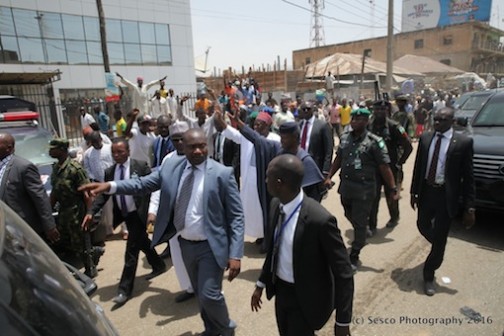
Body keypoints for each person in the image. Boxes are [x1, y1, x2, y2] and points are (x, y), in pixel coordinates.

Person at [79, 129, 244, 336]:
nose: (200, 150)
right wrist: (109, 186)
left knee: (210, 294)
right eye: (193, 147)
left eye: (203, 145)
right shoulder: (172, 167)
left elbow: (237, 216)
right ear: (182, 147)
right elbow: (141, 183)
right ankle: (211, 329)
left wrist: (236, 254)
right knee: (200, 294)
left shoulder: (222, 173)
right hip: (186, 244)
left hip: (211, 246)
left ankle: (227, 328)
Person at [251, 154, 354, 336]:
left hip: (307, 299)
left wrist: (343, 321)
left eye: (268, 177)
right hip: (282, 293)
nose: (265, 180)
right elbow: (275, 250)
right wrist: (260, 284)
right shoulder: (276, 205)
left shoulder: (320, 220)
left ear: (279, 183)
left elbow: (344, 273)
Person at [82, 138, 166, 307]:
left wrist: (152, 212)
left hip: (139, 215)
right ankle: (158, 264)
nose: (117, 155)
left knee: (131, 252)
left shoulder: (140, 166)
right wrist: (91, 212)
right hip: (125, 215)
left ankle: (124, 290)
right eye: (114, 152)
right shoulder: (110, 172)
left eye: (120, 151)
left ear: (128, 151)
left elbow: (153, 190)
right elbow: (104, 195)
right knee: (141, 241)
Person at [410, 107, 475, 296]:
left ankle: (429, 274)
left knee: (439, 236)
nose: (437, 123)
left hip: (447, 195)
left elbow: (468, 176)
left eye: (442, 120)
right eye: (435, 119)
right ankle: (439, 244)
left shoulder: (463, 142)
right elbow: (418, 167)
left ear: (452, 121)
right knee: (422, 225)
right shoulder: (426, 138)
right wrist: (414, 192)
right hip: (427, 192)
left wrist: (470, 207)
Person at [324, 108, 398, 271]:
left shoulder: (374, 141)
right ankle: (362, 232)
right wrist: (329, 176)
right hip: (346, 187)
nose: (354, 122)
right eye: (353, 119)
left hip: (364, 190)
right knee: (347, 213)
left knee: (358, 223)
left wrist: (392, 188)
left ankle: (355, 254)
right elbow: (339, 158)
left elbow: (384, 167)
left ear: (366, 122)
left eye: (359, 119)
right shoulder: (344, 138)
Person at [148, 120, 196, 302]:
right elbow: (159, 187)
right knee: (179, 256)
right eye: (175, 140)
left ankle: (207, 291)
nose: (179, 144)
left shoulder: (198, 157)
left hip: (195, 218)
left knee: (199, 255)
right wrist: (153, 211)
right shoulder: (168, 160)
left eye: (182, 139)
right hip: (175, 218)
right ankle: (190, 288)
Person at [220, 109, 280, 251]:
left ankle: (269, 240)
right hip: (251, 180)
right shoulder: (247, 137)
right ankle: (261, 234)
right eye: (255, 124)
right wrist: (219, 117)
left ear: (267, 126)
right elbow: (230, 133)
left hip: (267, 183)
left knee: (267, 210)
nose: (256, 127)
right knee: (255, 210)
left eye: (259, 125)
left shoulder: (274, 140)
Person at [48, 138, 101, 277]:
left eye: (53, 148)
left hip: (76, 210)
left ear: (62, 150)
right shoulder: (55, 168)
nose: (50, 151)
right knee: (64, 242)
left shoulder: (75, 169)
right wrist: (48, 209)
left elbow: (87, 193)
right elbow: (54, 191)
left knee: (80, 243)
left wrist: (89, 213)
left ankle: (90, 267)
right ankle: (95, 252)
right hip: (63, 211)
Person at [0, 132, 59, 243]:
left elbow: (40, 198)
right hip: (5, 227)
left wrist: (49, 226)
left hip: (22, 229)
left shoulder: (23, 167)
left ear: (9, 148)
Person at [367, 100, 413, 236]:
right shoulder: (369, 126)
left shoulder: (395, 126)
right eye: (377, 109)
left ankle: (394, 217)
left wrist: (400, 162)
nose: (379, 112)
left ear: (387, 111)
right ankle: (372, 225)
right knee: (373, 197)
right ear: (373, 111)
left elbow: (408, 146)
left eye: (382, 109)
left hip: (391, 167)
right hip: (374, 168)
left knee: (391, 195)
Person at [298, 101, 334, 177]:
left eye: (308, 109)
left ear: (313, 109)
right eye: (303, 109)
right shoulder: (299, 125)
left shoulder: (322, 125)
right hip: (300, 165)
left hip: (316, 166)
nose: (306, 111)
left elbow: (329, 150)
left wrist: (326, 170)